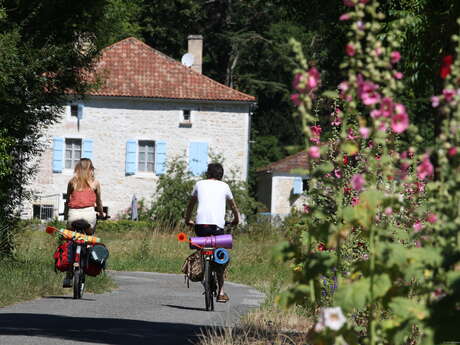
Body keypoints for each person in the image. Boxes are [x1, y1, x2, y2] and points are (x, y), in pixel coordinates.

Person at [184, 163, 240, 303]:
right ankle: (221, 292)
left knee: (202, 250)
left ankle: (203, 271)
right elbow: (233, 206)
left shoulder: (199, 184)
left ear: (207, 174)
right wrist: (236, 219)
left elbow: (191, 204)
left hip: (200, 227)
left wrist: (187, 220)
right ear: (221, 175)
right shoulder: (225, 186)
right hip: (217, 228)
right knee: (220, 256)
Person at [63, 158, 104, 287]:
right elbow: (99, 202)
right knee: (89, 238)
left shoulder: (72, 182)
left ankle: (68, 275)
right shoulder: (95, 183)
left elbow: (67, 200)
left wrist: (65, 215)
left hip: (73, 215)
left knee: (69, 240)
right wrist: (101, 213)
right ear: (91, 169)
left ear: (77, 168)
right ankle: (87, 251)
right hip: (89, 214)